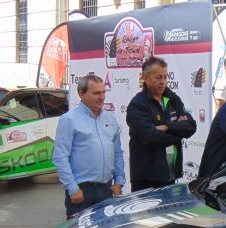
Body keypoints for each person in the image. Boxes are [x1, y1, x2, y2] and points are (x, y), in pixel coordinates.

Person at [52, 74, 125, 219]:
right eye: (96, 93)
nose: (102, 97)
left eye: (103, 92)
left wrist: (119, 181)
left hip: (107, 190)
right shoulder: (69, 120)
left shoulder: (111, 120)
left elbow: (117, 152)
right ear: (81, 93)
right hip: (81, 192)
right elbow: (60, 157)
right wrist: (72, 188)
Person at [126, 56, 196, 191]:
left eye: (165, 77)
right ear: (145, 78)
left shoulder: (172, 98)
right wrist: (179, 132)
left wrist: (167, 127)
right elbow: (151, 137)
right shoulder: (137, 105)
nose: (163, 81)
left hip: (171, 174)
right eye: (158, 77)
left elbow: (191, 126)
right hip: (147, 178)